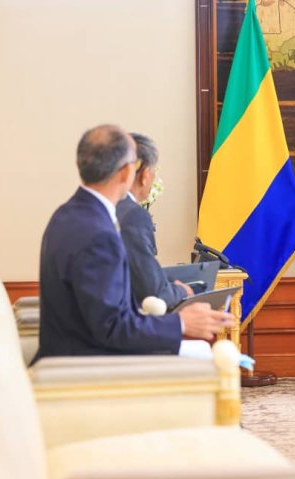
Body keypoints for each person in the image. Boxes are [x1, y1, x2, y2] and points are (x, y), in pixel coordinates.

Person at [33, 124, 233, 363]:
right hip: (85, 366)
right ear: (128, 172)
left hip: (72, 354)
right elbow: (112, 327)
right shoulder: (99, 235)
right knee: (210, 360)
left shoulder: (67, 214)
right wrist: (180, 323)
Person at [116, 132, 192, 308]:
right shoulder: (133, 215)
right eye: (153, 172)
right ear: (144, 175)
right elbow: (152, 294)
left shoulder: (87, 209)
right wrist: (182, 291)